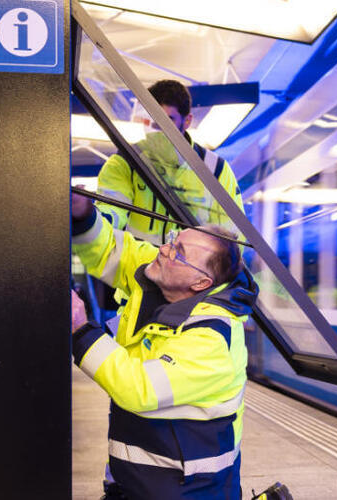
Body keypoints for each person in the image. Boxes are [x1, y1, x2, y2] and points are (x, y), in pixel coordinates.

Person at [70, 190, 258, 499]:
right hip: (138, 484)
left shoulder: (213, 339)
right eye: (172, 239)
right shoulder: (160, 273)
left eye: (180, 252)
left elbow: (139, 388)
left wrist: (80, 330)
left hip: (192, 492)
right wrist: (82, 214)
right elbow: (109, 250)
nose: (166, 250)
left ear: (200, 284)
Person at [95, 79, 244, 246]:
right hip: (137, 268)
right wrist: (90, 217)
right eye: (151, 120)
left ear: (187, 121)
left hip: (191, 269)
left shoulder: (215, 170)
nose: (157, 129)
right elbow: (111, 213)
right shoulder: (124, 163)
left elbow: (231, 236)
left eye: (168, 120)